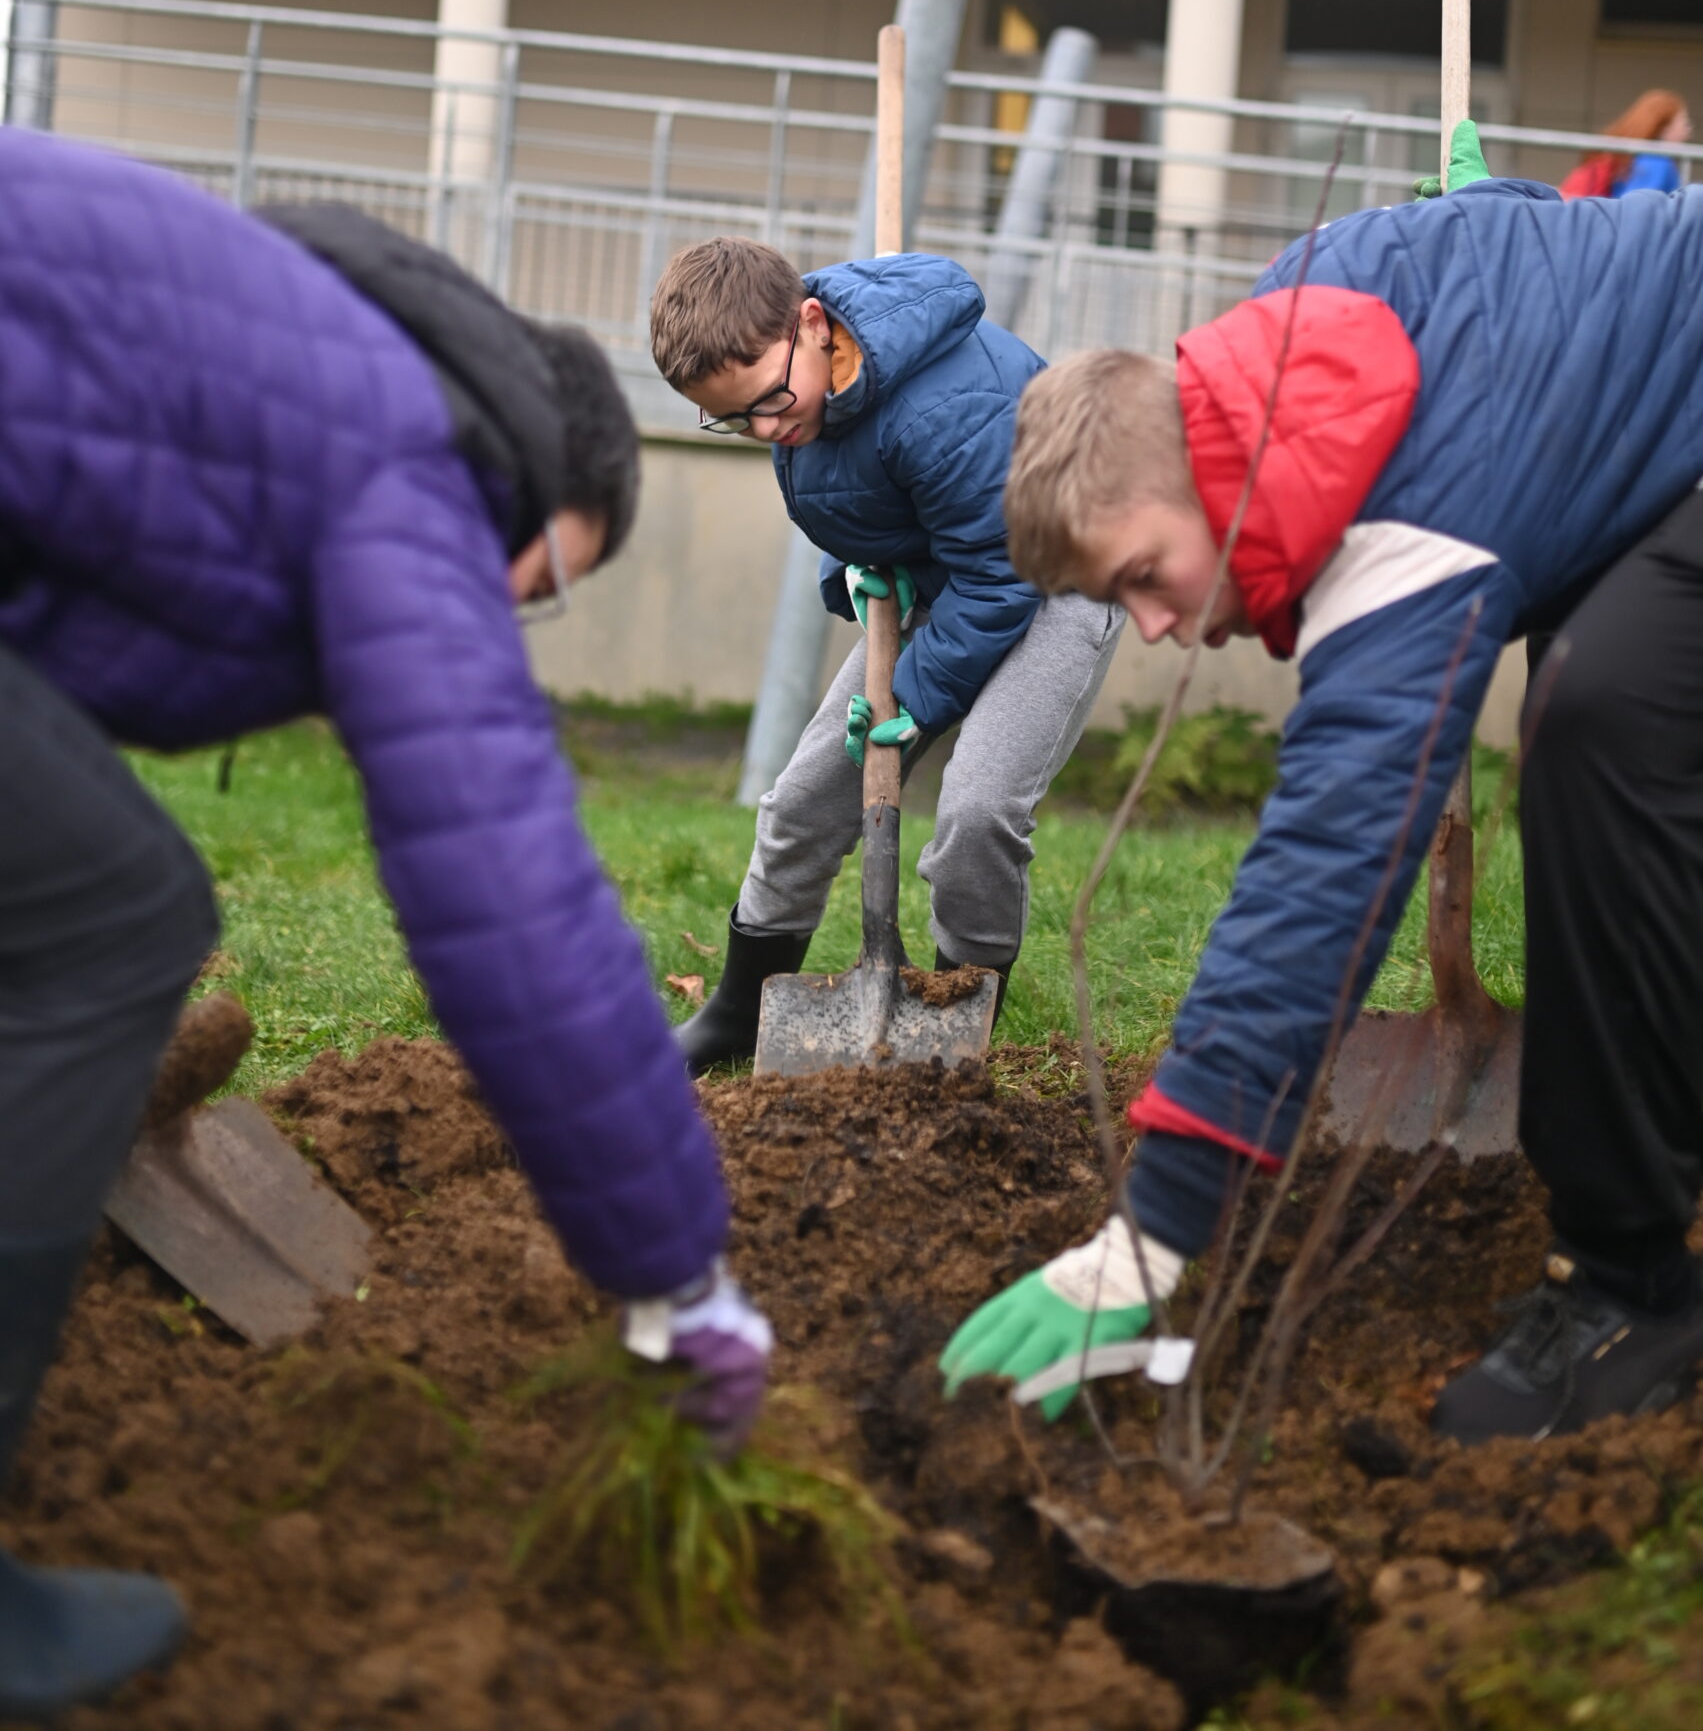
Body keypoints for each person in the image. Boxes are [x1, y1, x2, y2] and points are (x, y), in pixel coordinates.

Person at [0, 135, 768, 1720]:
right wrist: (675, 1271)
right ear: (549, 500)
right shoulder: (409, 458)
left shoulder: (276, 351)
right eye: (547, 585)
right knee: (112, 923)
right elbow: (505, 892)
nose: (511, 612)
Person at [943, 134, 1703, 1444]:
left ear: (1189, 463)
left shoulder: (1399, 526)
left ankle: (1631, 1283)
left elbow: (1329, 867)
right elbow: (1508, 226)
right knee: (1605, 721)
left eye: (1140, 574)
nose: (1156, 627)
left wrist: (1155, 1227)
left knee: (1601, 720)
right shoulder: (1313, 292)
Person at [647, 237, 1122, 1069]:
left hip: (1055, 571)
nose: (765, 429)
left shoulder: (941, 406)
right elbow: (857, 501)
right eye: (735, 419)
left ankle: (954, 1014)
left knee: (976, 812)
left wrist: (916, 699)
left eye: (766, 400)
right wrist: (859, 576)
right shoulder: (808, 387)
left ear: (811, 322)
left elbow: (1003, 575)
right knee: (802, 805)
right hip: (954, 571)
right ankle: (736, 1012)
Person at [1559, 88, 1694, 199]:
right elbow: (1637, 211)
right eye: (1683, 122)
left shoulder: (1631, 158)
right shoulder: (1657, 162)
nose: (1688, 130)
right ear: (1665, 127)